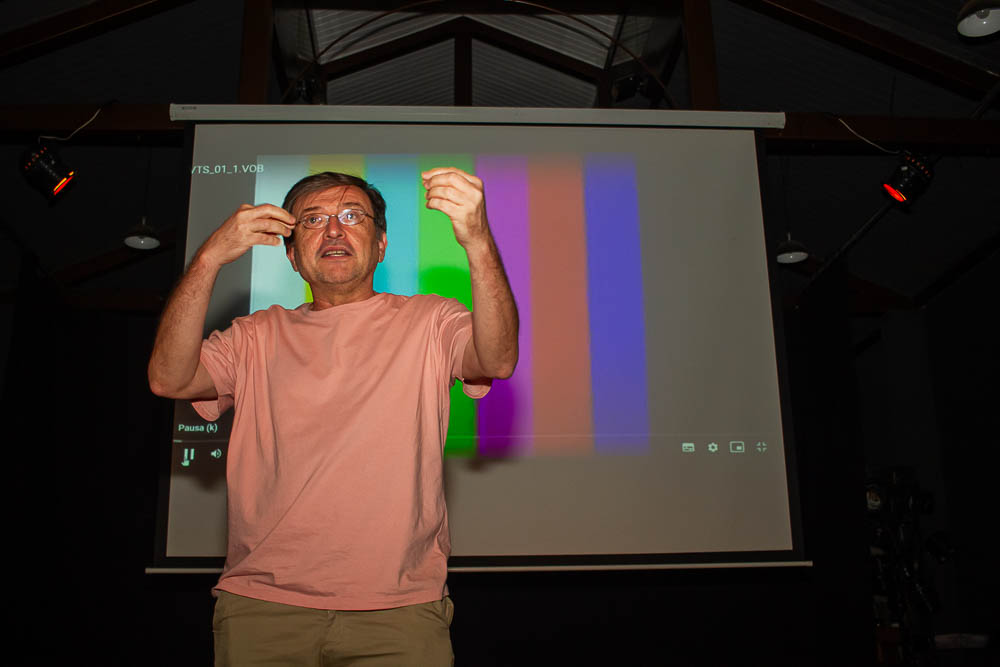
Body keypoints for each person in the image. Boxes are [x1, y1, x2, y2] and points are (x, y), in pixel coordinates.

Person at [148, 167, 518, 666]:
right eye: (313, 220)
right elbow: (168, 379)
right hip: (262, 608)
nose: (334, 231)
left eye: (351, 216)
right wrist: (210, 258)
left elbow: (496, 359)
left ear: (381, 244)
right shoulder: (255, 336)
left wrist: (476, 238)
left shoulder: (431, 320)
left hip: (398, 610)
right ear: (293, 254)